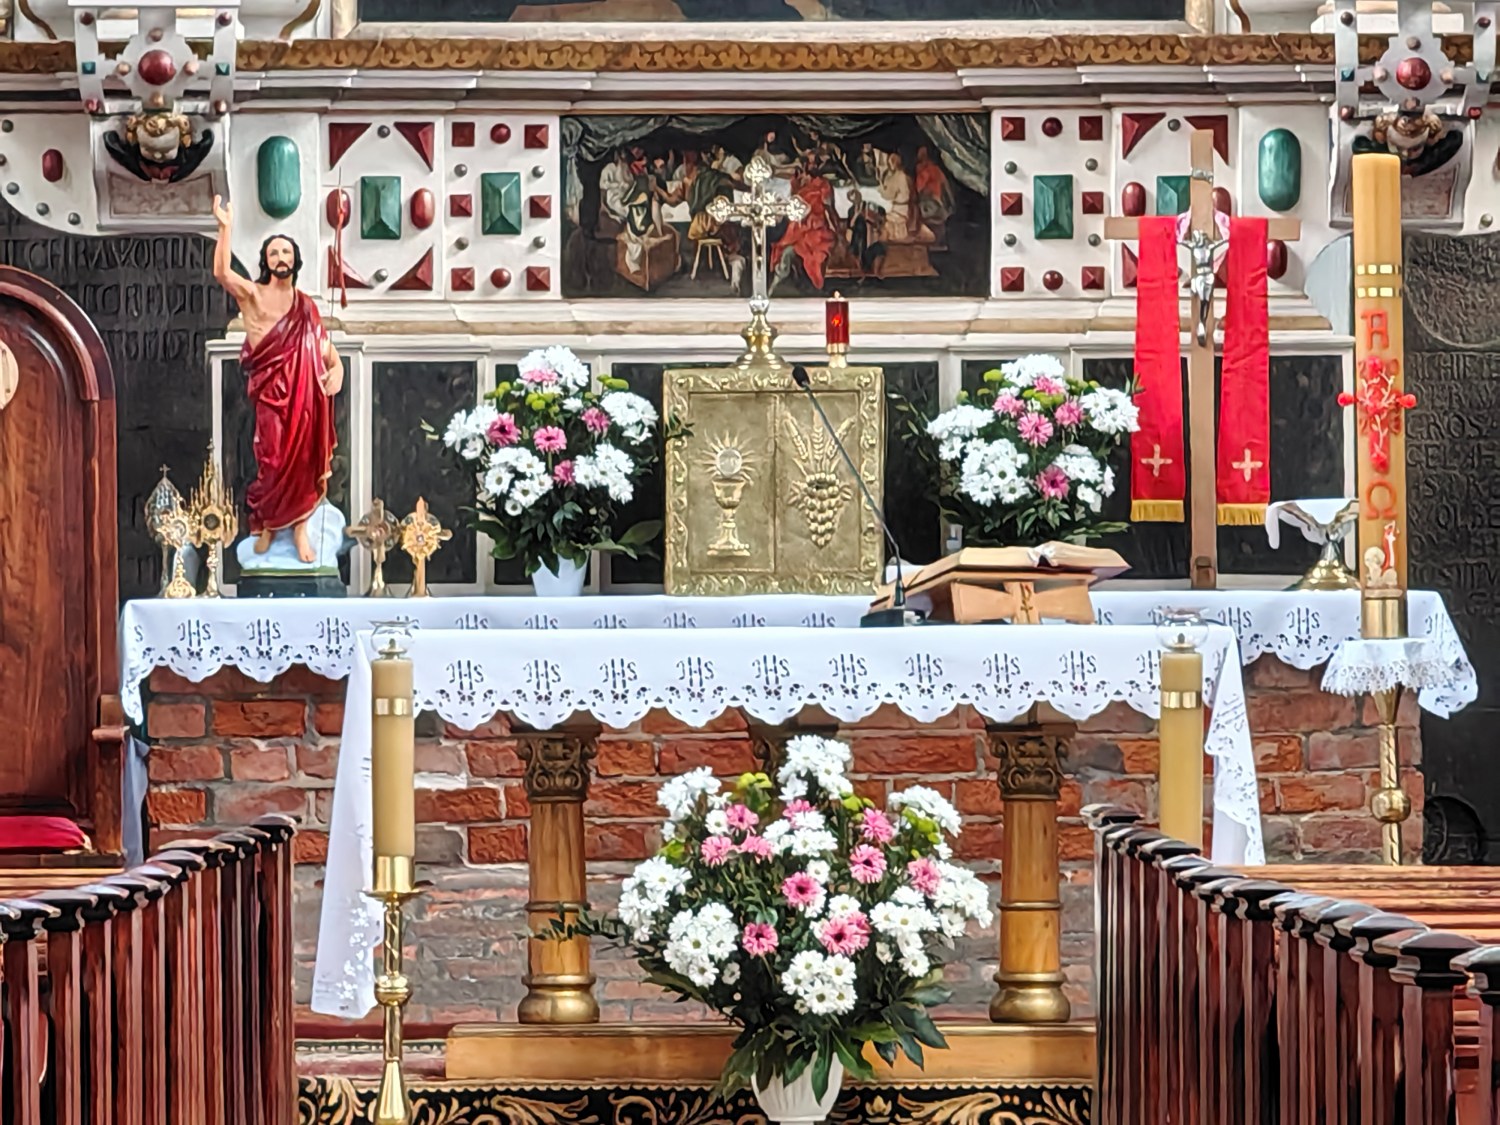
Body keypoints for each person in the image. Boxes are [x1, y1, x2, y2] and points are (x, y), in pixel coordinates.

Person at [211, 195, 341, 564]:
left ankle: (299, 531)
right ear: (265, 261)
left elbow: (324, 348)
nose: (280, 258)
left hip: (305, 398)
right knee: (270, 460)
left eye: (286, 252)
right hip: (271, 396)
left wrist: (338, 369)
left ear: (295, 260)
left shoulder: (307, 306)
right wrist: (225, 227)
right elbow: (222, 273)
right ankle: (267, 525)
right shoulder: (253, 295)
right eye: (273, 253)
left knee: (303, 463)